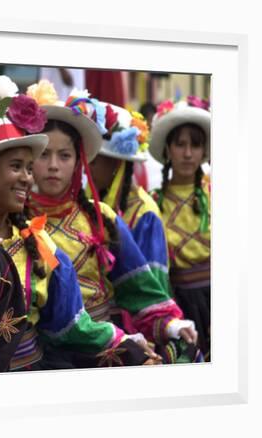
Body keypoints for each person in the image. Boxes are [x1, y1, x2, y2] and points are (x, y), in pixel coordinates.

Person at [0, 75, 159, 372]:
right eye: (16, 167)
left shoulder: (40, 246)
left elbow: (72, 325)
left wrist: (124, 342)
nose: (28, 177)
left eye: (29, 168)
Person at [25, 81, 199, 363]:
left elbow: (138, 287)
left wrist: (169, 323)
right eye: (44, 154)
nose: (54, 165)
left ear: (79, 162)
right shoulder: (18, 223)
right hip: (44, 356)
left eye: (65, 155)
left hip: (102, 348)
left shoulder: (100, 217)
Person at [87, 100, 202, 362]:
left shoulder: (143, 214)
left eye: (96, 159)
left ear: (117, 165)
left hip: (136, 330)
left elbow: (152, 289)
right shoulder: (91, 209)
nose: (87, 165)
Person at [150, 96, 211, 358]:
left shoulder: (216, 193)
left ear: (204, 151)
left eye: (195, 145)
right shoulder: (151, 203)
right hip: (177, 305)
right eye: (180, 145)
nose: (188, 153)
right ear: (168, 149)